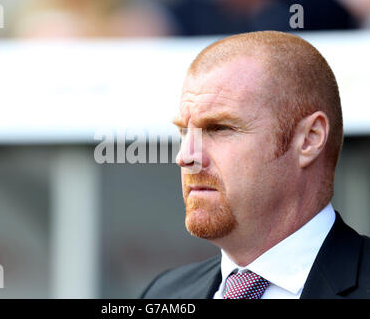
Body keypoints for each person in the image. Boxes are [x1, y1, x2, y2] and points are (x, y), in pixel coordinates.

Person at [140, 31, 370, 299]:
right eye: (183, 132)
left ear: (309, 139)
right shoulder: (164, 294)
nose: (185, 156)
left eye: (219, 128)